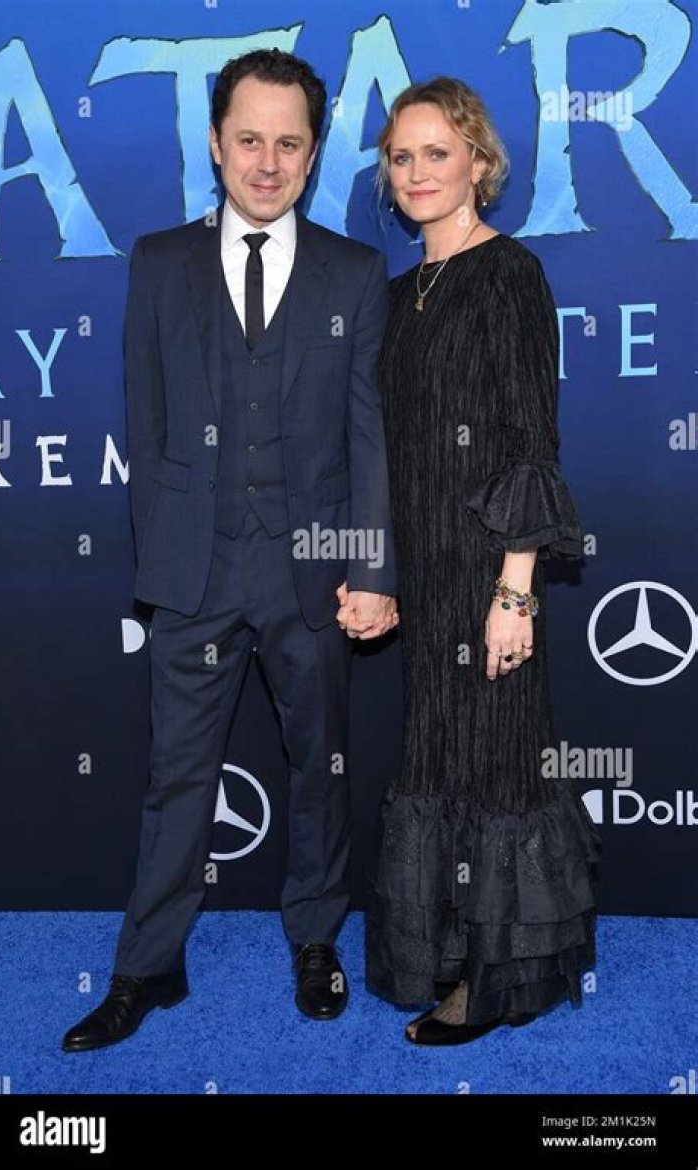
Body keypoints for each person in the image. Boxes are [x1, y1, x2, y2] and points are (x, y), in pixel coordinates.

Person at [62, 48, 397, 1053]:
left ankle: (315, 940)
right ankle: (147, 966)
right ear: (214, 143)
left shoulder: (355, 272)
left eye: (288, 143)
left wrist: (371, 569)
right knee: (177, 776)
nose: (267, 162)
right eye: (249, 139)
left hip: (315, 573)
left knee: (319, 768)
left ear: (313, 153)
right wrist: (163, 564)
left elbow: (369, 436)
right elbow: (149, 427)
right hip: (193, 573)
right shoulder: (158, 262)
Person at [364, 77, 601, 1045]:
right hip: (422, 572)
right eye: (401, 156)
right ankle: (452, 952)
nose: (417, 172)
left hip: (489, 570)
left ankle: (498, 979)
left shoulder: (511, 274)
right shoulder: (395, 296)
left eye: (438, 153)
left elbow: (529, 443)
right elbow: (383, 454)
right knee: (439, 757)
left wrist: (516, 591)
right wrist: (379, 572)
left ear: (480, 163)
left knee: (496, 764)